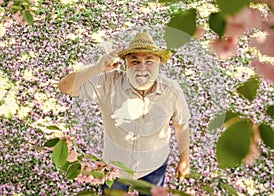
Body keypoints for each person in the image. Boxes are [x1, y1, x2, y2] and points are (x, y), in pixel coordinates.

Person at [58, 32, 191, 195]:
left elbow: (181, 124)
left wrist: (184, 159)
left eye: (149, 61)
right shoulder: (108, 83)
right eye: (135, 61)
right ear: (126, 64)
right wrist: (97, 68)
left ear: (159, 63)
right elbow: (65, 87)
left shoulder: (171, 90)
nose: (142, 67)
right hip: (115, 168)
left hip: (154, 165)